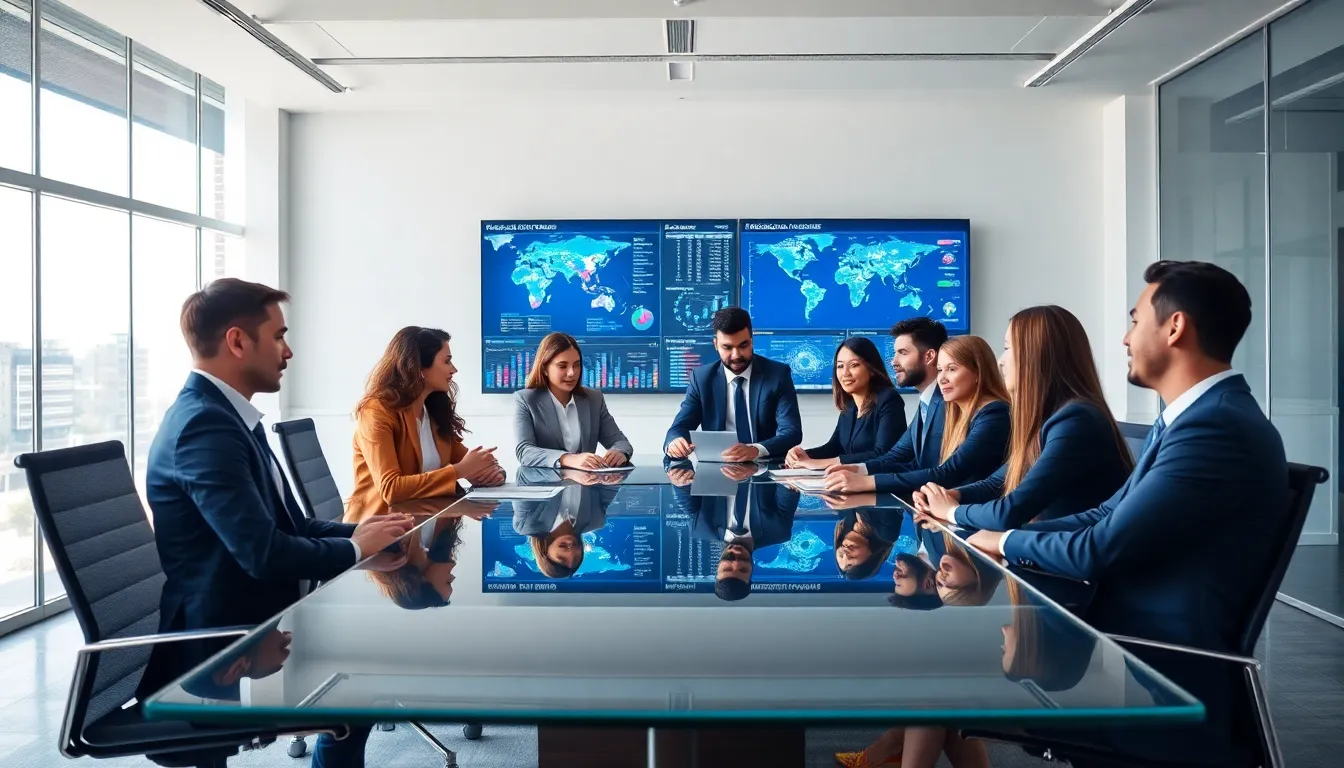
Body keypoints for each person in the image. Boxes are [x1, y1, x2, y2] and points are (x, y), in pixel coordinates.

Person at [964, 260, 1285, 766]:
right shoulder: (1189, 420)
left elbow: (1100, 547)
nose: (1124, 338)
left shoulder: (1214, 428)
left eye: (1135, 320)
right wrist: (1003, 536)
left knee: (940, 671)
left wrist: (1004, 541)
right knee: (945, 662)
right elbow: (1103, 513)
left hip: (1154, 665)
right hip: (1120, 639)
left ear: (1174, 327)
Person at [139, 279, 413, 768]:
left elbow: (294, 526)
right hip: (220, 648)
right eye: (279, 336)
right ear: (238, 341)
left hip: (258, 623)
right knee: (367, 676)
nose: (288, 351)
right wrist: (354, 550)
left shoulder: (231, 418)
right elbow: (264, 554)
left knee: (372, 665)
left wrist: (362, 536)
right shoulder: (205, 427)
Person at [913, 305, 1133, 530]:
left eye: (1008, 348)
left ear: (1037, 354)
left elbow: (1010, 512)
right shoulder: (1052, 417)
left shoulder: (1076, 420)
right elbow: (996, 483)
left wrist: (950, 511)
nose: (1000, 360)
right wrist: (952, 495)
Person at [345, 327, 505, 525]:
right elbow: (391, 489)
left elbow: (470, 462)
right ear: (420, 368)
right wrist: (460, 471)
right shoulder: (376, 411)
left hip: (427, 526)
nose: (453, 369)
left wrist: (492, 474)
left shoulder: (433, 410)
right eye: (446, 361)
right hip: (381, 534)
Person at [824, 335, 1009, 495]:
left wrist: (866, 482)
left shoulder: (994, 414)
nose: (942, 378)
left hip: (974, 519)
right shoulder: (954, 411)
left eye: (951, 369)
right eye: (939, 370)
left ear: (978, 371)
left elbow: (948, 472)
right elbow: (903, 459)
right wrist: (859, 469)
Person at [664, 307, 802, 462]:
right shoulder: (702, 379)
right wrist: (674, 442)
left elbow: (792, 432)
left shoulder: (777, 374)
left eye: (743, 346)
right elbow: (679, 427)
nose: (736, 355)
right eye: (727, 347)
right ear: (716, 344)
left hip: (765, 470)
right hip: (718, 472)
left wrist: (756, 450)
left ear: (751, 341)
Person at [513, 332, 634, 469]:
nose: (572, 373)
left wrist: (619, 452)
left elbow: (620, 442)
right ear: (544, 368)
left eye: (576, 365)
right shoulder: (526, 400)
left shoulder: (593, 399)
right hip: (544, 486)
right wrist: (568, 459)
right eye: (562, 366)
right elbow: (525, 451)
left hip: (586, 486)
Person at [784, 337, 905, 469]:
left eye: (854, 365)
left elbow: (884, 453)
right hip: (850, 481)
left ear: (871, 369)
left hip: (878, 483)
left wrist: (821, 464)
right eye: (840, 366)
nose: (845, 373)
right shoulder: (849, 406)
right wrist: (802, 455)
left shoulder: (889, 399)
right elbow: (834, 447)